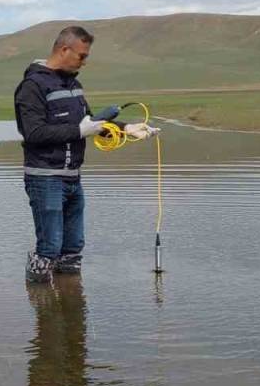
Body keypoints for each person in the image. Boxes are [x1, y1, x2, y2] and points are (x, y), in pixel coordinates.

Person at [13, 26, 157, 283]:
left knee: (73, 247)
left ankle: (72, 308)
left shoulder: (74, 85)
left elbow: (91, 123)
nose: (85, 62)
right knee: (49, 247)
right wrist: (79, 131)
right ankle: (41, 308)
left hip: (73, 178)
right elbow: (33, 133)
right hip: (45, 178)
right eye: (81, 55)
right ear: (64, 49)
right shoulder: (31, 87)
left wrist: (127, 129)